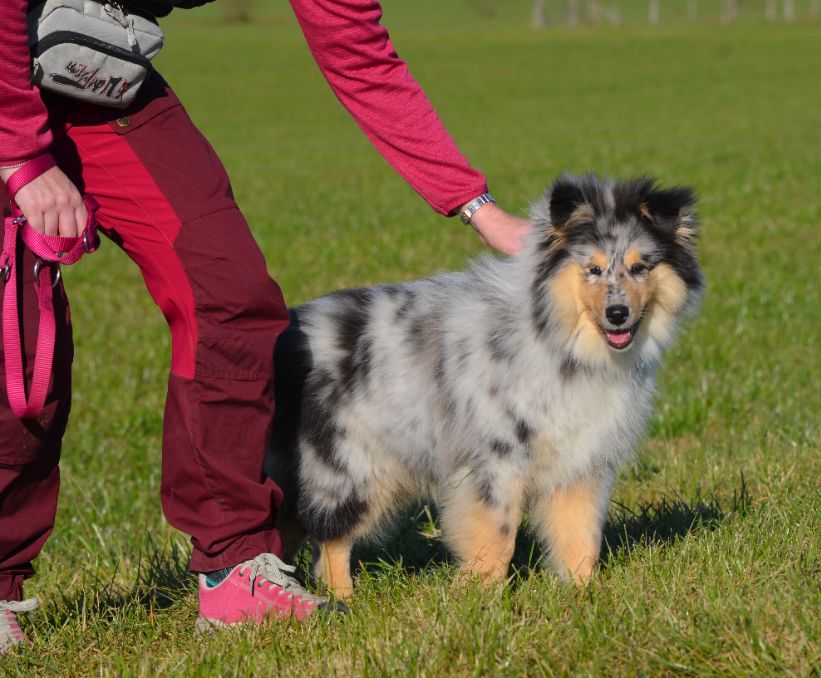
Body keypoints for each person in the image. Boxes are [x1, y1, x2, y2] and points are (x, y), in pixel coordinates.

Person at [0, 0, 531, 651]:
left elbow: (358, 55)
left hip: (92, 69)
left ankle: (236, 568)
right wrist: (20, 152)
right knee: (19, 356)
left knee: (231, 297)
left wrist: (479, 208)